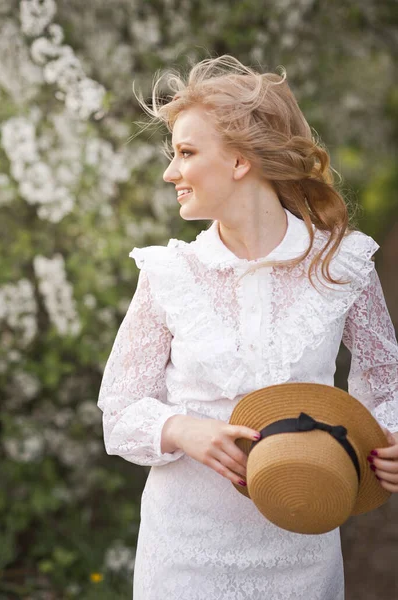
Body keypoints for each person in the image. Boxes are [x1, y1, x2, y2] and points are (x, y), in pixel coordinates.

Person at [97, 55, 398, 600]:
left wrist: (389, 440)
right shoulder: (169, 274)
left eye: (186, 153)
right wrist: (186, 431)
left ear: (239, 162)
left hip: (303, 553)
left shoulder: (343, 265)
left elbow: (387, 382)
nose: (170, 172)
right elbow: (119, 409)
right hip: (183, 555)